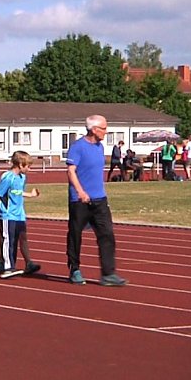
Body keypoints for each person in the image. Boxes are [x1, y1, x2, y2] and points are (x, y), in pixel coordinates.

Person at [65, 115, 127, 286]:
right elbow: (71, 172)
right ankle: (75, 269)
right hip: (80, 200)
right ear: (93, 129)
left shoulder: (100, 147)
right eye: (104, 128)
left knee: (107, 234)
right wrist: (80, 192)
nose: (106, 132)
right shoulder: (77, 147)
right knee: (75, 234)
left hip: (99, 199)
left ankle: (108, 273)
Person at [0, 151, 41, 278]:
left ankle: (18, 264)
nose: (29, 169)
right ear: (20, 165)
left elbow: (17, 192)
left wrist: (31, 195)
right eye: (28, 166)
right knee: (8, 240)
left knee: (20, 238)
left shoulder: (22, 177)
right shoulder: (8, 177)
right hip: (8, 214)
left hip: (19, 214)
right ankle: (7, 266)